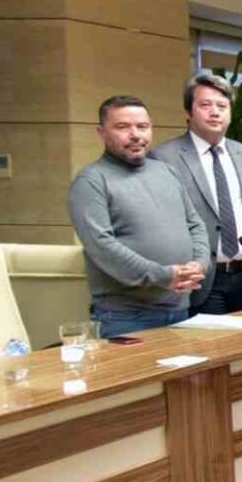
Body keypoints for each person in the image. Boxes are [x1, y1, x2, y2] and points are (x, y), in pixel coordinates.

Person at [67, 96, 209, 337]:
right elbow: (101, 247)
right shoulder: (90, 181)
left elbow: (195, 225)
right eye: (123, 127)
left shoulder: (166, 171)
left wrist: (199, 263)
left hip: (180, 309)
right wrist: (164, 276)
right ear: (101, 132)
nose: (135, 135)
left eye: (142, 126)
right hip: (125, 317)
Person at [150, 71, 242, 315]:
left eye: (222, 106)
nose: (215, 112)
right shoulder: (164, 157)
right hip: (200, 280)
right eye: (205, 105)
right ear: (188, 112)